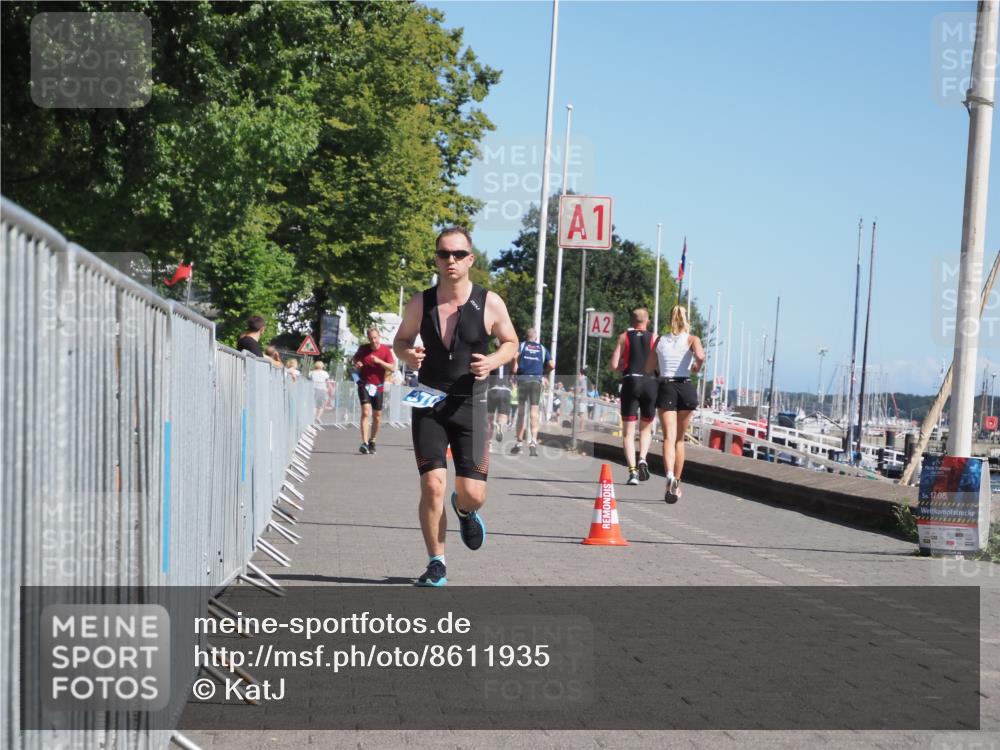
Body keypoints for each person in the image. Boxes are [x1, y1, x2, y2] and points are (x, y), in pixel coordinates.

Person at [393, 226, 517, 587]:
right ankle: (437, 562)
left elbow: (510, 342)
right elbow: (401, 340)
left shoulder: (489, 302)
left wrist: (493, 361)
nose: (451, 260)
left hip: (472, 405)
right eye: (444, 254)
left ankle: (464, 510)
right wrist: (408, 354)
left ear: (471, 259)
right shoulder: (421, 302)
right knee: (431, 485)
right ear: (435, 258)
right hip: (429, 401)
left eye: (458, 254)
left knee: (473, 493)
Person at [647, 305, 705, 503]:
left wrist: (658, 371)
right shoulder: (692, 339)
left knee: (668, 438)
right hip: (686, 387)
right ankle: (676, 484)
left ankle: (669, 475)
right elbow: (701, 356)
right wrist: (696, 367)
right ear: (686, 319)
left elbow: (649, 367)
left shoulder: (660, 341)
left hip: (666, 386)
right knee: (680, 440)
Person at [610, 308, 658, 486]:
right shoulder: (655, 338)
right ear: (648, 321)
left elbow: (614, 365)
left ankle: (633, 473)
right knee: (646, 429)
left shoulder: (624, 337)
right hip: (650, 383)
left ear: (632, 321)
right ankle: (643, 458)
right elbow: (659, 365)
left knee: (628, 433)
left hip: (631, 382)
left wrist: (625, 364)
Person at [510, 328, 553, 457]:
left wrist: (514, 369)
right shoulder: (542, 349)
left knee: (521, 412)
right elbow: (552, 364)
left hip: (523, 380)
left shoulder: (522, 346)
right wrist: (544, 374)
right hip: (536, 381)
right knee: (534, 412)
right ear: (536, 337)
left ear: (526, 336)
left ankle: (519, 442)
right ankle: (533, 441)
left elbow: (514, 357)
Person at [352, 327, 395, 455]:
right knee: (366, 412)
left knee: (377, 416)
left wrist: (379, 361)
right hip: (364, 384)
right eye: (371, 338)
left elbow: (392, 368)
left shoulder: (385, 350)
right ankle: (364, 443)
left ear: (379, 336)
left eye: (375, 338)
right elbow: (355, 360)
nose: (373, 340)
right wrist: (357, 363)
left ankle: (372, 440)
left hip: (379, 387)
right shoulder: (363, 349)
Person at [486, 346, 513, 452]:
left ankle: (489, 444)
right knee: (503, 416)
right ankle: (500, 425)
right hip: (506, 389)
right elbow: (515, 369)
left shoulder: (491, 357)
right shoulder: (509, 357)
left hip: (493, 389)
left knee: (489, 419)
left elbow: (486, 373)